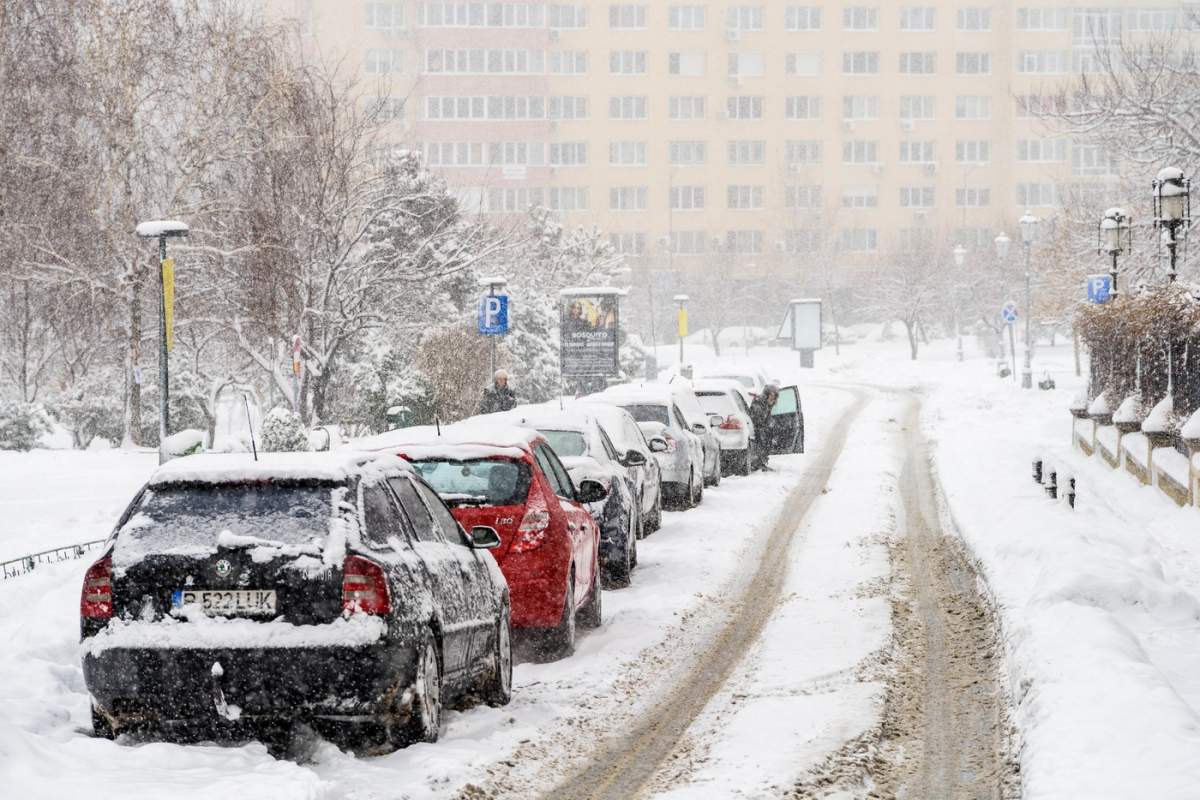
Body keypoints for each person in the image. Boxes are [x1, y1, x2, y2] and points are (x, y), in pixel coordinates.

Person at [749, 383, 780, 471]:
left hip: (761, 428)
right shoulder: (759, 403)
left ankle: (761, 462)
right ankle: (758, 463)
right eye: (771, 395)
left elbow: (767, 418)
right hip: (755, 429)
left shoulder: (768, 404)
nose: (773, 398)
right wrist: (764, 428)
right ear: (766, 395)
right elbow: (757, 419)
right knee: (762, 442)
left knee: (767, 441)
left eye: (774, 396)